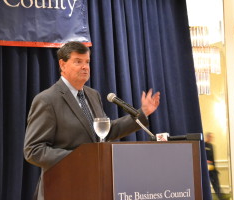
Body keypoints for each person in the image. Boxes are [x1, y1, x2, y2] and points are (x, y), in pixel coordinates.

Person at [23, 41, 160, 200]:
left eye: (87, 62)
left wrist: (142, 113)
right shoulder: (47, 100)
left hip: (93, 186)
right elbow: (33, 150)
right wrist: (78, 158)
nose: (85, 67)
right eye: (78, 61)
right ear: (62, 64)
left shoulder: (93, 95)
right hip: (62, 187)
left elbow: (104, 132)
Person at [205, 132, 223, 200]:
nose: (211, 138)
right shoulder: (203, 145)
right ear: (207, 137)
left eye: (212, 137)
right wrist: (206, 161)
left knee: (216, 184)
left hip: (212, 168)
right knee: (206, 184)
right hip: (206, 169)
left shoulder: (212, 146)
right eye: (210, 137)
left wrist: (215, 168)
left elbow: (213, 158)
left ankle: (220, 197)